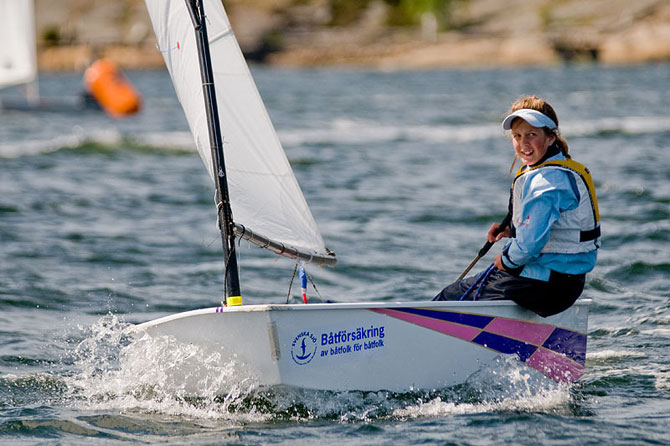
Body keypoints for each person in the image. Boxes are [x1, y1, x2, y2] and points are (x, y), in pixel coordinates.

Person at [434, 96, 600, 317]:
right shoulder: (558, 168)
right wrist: (511, 229)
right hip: (567, 283)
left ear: (550, 137)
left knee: (449, 297)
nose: (523, 143)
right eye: (517, 136)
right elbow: (552, 225)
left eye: (532, 135)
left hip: (544, 284)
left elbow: (529, 246)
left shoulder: (546, 181)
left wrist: (505, 261)